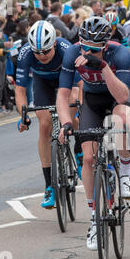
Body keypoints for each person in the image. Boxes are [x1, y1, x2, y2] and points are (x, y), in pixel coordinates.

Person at [56, 16, 130, 250]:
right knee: (88, 158)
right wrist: (65, 123)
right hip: (91, 101)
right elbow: (62, 95)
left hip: (115, 98)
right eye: (84, 46)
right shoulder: (72, 53)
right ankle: (94, 218)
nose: (87, 51)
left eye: (94, 49)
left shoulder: (119, 52)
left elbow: (122, 96)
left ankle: (125, 172)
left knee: (122, 120)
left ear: (104, 46)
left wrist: (101, 66)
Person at [15, 20, 78, 209]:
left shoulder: (67, 49)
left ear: (55, 44)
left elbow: (76, 90)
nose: (41, 56)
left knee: (74, 117)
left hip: (65, 80)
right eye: (37, 52)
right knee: (44, 126)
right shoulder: (25, 53)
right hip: (42, 82)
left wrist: (70, 115)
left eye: (46, 51)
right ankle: (49, 185)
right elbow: (20, 91)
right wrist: (23, 115)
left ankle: (79, 151)